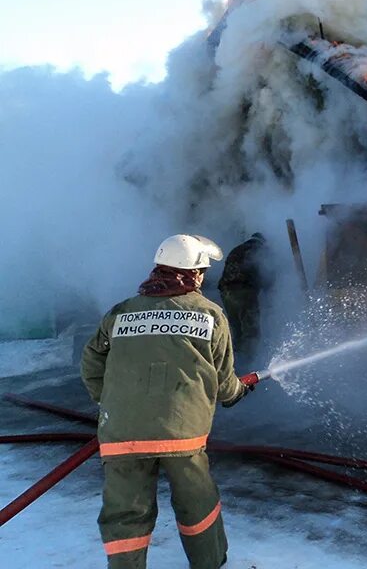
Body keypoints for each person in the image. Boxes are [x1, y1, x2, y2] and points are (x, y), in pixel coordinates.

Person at [80, 234, 254, 569]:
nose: (202, 277)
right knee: (197, 504)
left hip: (121, 433)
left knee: (124, 513)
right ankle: (210, 562)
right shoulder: (209, 315)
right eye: (201, 271)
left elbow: (91, 363)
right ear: (193, 274)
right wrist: (237, 393)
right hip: (181, 435)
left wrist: (113, 403)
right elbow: (223, 381)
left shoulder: (121, 312)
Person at [217, 233, 268, 355]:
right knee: (251, 330)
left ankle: (235, 358)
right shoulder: (257, 251)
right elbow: (262, 275)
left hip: (226, 292)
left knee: (235, 328)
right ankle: (250, 360)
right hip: (244, 292)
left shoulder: (237, 249)